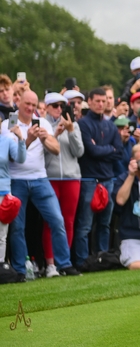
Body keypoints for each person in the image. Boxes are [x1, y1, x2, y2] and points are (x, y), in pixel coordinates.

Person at [1, 91, 81, 277]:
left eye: (34, 105)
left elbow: (56, 149)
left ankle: (64, 264)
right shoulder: (9, 123)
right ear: (18, 101)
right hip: (17, 180)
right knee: (17, 227)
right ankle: (20, 270)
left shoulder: (42, 122)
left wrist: (45, 138)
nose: (30, 108)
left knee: (57, 220)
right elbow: (13, 157)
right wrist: (27, 139)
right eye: (27, 104)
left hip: (39, 178)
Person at [75, 88, 124, 267]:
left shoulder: (110, 125)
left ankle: (102, 258)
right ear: (90, 101)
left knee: (105, 224)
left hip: (108, 179)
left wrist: (105, 150)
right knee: (85, 225)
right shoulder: (83, 124)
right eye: (97, 101)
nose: (101, 104)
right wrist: (108, 149)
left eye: (104, 101)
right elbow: (92, 151)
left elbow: (119, 152)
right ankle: (82, 261)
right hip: (89, 180)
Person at [43, 92, 84, 277]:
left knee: (68, 221)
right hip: (50, 177)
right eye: (55, 106)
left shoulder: (73, 124)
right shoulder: (43, 125)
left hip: (71, 177)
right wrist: (54, 134)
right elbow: (41, 155)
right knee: (51, 221)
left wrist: (70, 131)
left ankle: (64, 263)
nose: (59, 109)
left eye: (62, 106)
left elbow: (79, 151)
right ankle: (50, 264)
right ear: (47, 107)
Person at [0, 115, 25, 268]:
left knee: (2, 234)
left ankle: (1, 264)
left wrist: (20, 138)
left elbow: (20, 159)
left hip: (3, 192)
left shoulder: (7, 141)